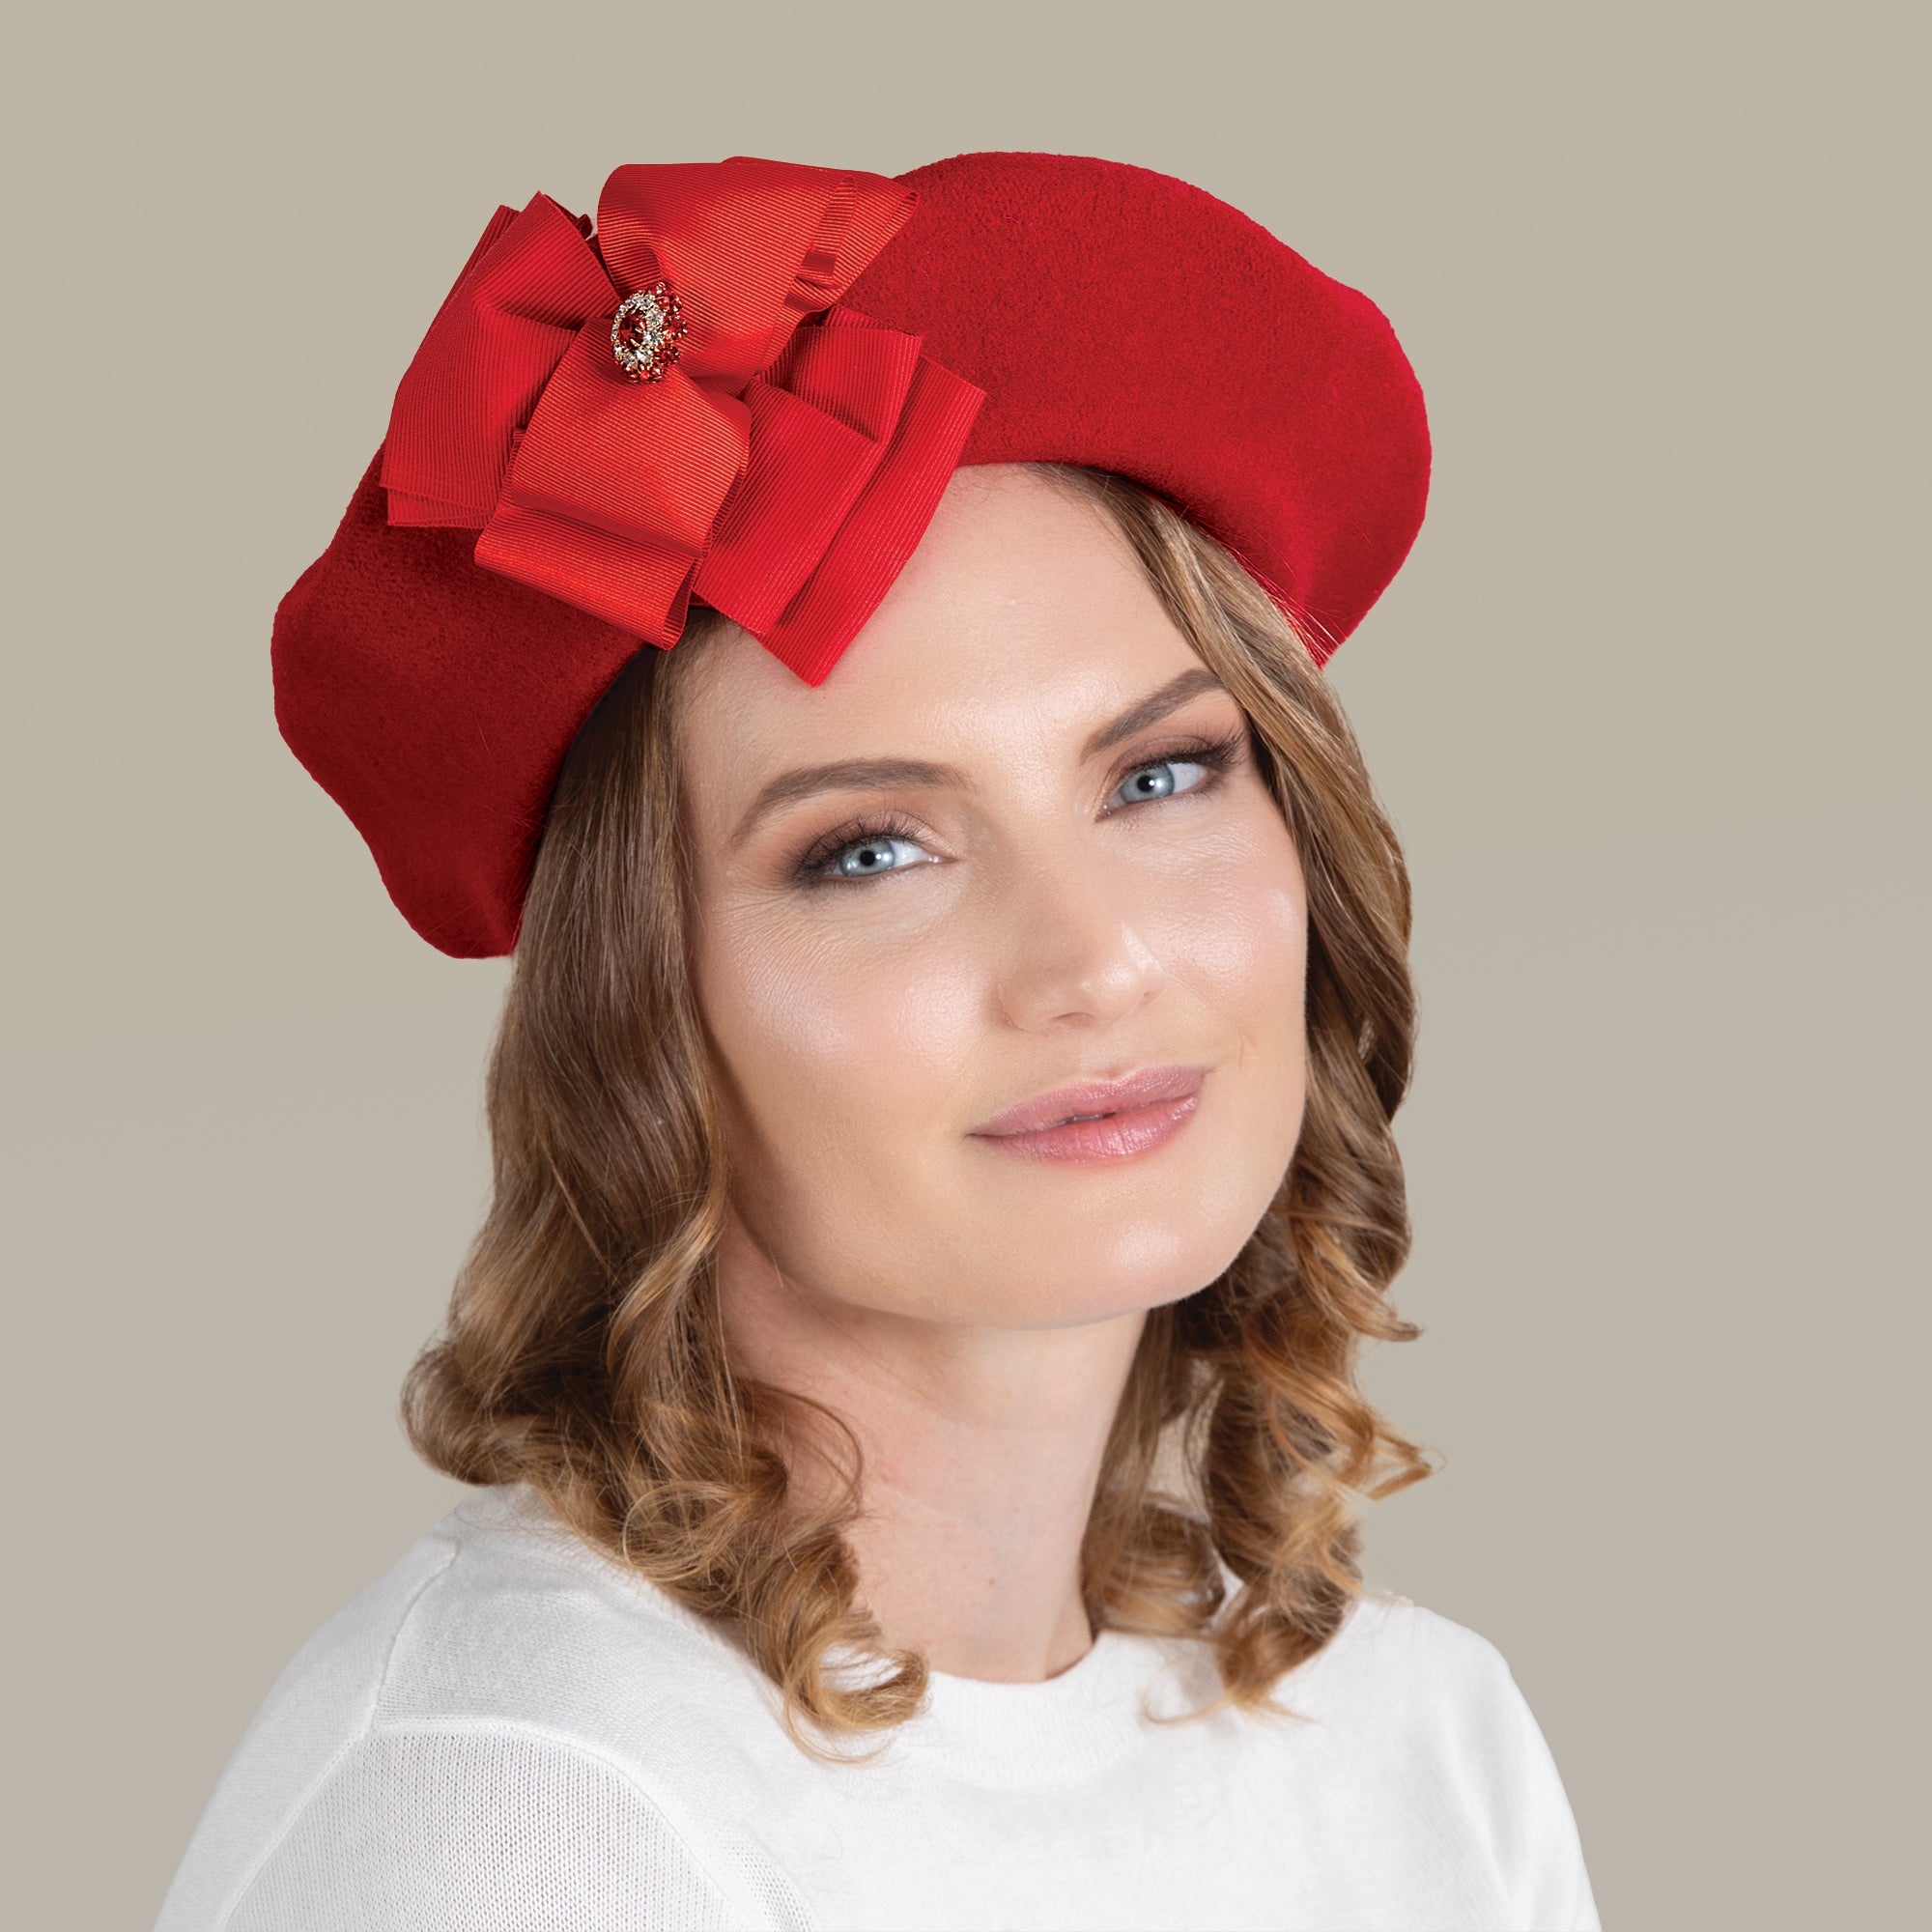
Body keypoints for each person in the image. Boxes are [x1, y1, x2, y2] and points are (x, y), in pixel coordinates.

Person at [156, 152, 1601, 1931]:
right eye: (869, 851)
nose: (1093, 962)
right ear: (640, 1007)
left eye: (1160, 773)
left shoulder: (1419, 1742)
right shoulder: (525, 1817)